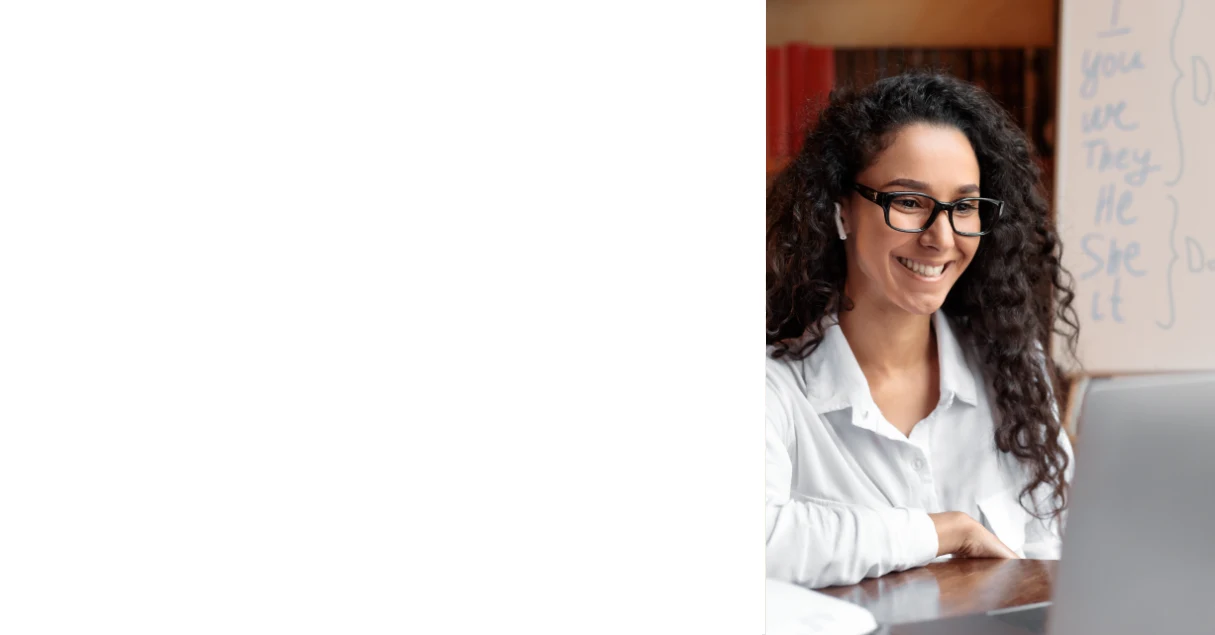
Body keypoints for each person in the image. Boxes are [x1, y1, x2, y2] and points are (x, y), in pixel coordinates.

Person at [765, 72, 1080, 589]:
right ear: (841, 210)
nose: (942, 237)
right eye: (909, 202)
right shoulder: (772, 388)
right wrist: (945, 533)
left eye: (964, 206)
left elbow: (1056, 568)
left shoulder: (1013, 374)